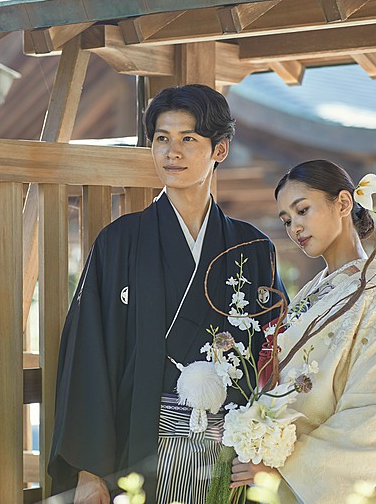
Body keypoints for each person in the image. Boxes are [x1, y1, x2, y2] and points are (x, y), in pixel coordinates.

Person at [47, 84, 287, 503]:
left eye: (187, 139)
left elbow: (276, 357)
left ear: (219, 149)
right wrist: (89, 470)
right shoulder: (119, 242)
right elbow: (88, 353)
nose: (172, 152)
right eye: (162, 139)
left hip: (228, 454)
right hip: (139, 445)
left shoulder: (252, 248)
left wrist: (266, 449)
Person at [231, 159, 376, 503]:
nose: (295, 227)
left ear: (343, 203)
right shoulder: (320, 289)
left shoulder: (370, 296)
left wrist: (288, 467)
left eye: (302, 210)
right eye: (287, 220)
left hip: (299, 476)